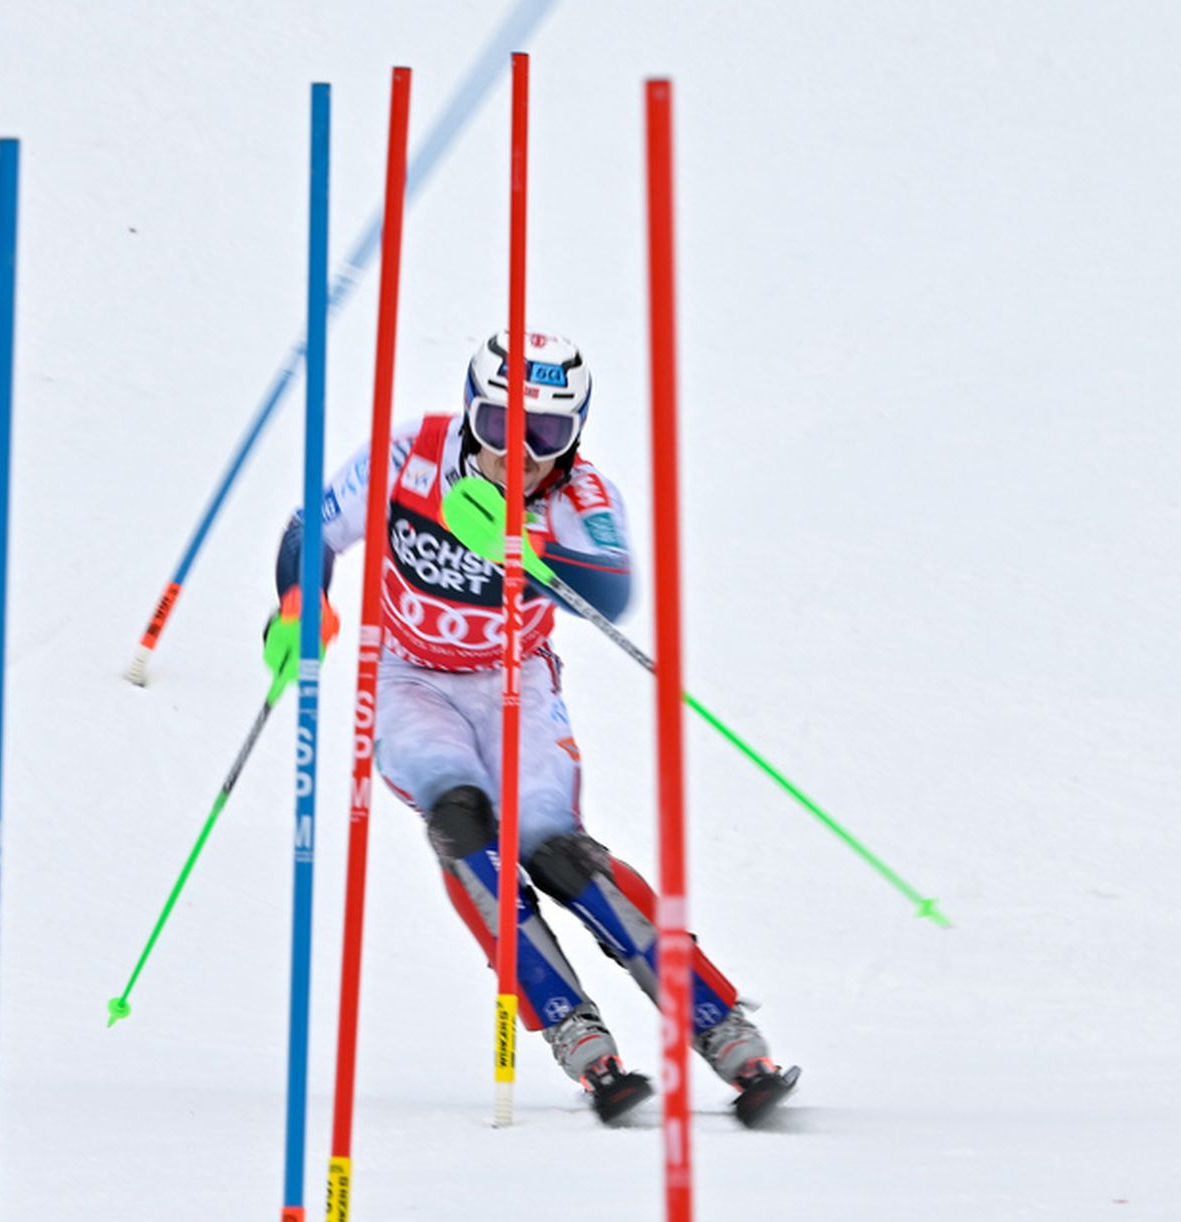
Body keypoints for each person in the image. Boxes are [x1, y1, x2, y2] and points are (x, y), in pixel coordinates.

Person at [269, 329, 799, 1125]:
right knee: (461, 821)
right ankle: (574, 1030)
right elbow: (311, 529)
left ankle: (723, 1030)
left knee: (551, 845)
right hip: (410, 678)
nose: (521, 453)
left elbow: (614, 594)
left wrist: (526, 544)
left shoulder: (583, 497)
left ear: (576, 431)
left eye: (547, 433)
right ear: (472, 410)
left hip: (511, 680)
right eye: (499, 424)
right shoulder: (409, 451)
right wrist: (297, 603)